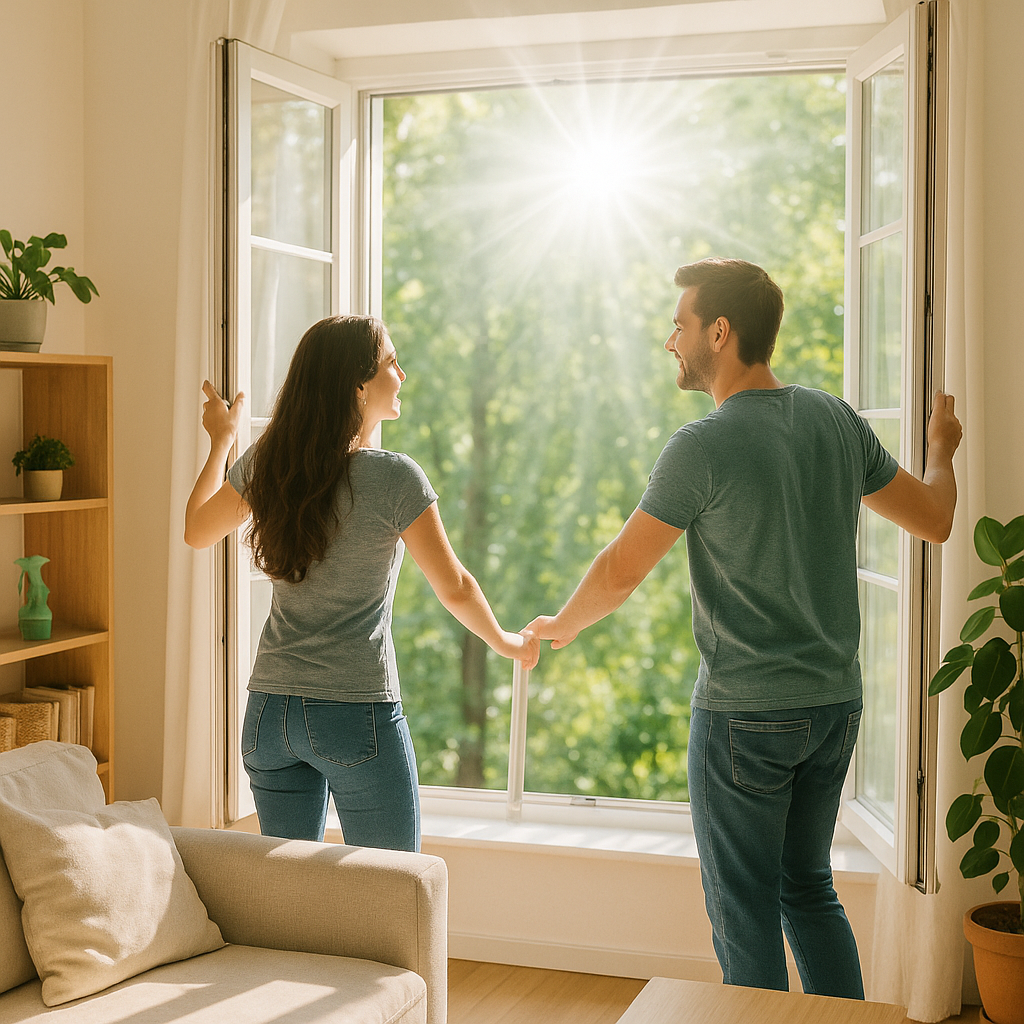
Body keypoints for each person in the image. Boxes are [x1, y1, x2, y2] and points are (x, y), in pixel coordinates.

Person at [526, 258, 961, 997]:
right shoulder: (835, 418)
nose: (671, 341)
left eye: (681, 325)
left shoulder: (702, 445)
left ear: (719, 333)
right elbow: (937, 520)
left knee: (744, 914)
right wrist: (942, 451)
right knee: (808, 889)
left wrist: (560, 626)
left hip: (745, 717)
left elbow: (619, 572)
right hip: (832, 707)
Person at [185, 314, 539, 852]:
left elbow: (195, 530)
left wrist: (223, 441)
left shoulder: (271, 464)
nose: (403, 373)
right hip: (354, 713)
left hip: (270, 714)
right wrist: (509, 643)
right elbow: (456, 588)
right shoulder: (394, 478)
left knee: (286, 897)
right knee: (395, 891)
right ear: (357, 386)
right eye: (391, 362)